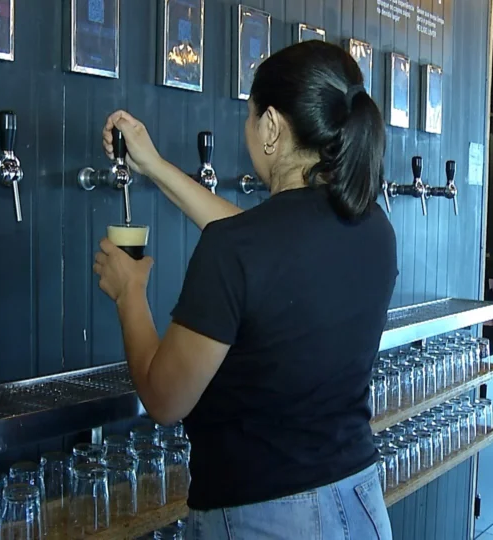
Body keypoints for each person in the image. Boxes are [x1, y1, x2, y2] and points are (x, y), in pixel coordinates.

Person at [92, 40, 397, 539]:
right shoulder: (373, 227)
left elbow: (166, 400)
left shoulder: (238, 250)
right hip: (360, 502)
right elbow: (264, 249)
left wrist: (130, 294)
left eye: (251, 116)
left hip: (265, 517)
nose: (247, 129)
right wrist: (152, 165)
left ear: (272, 126)